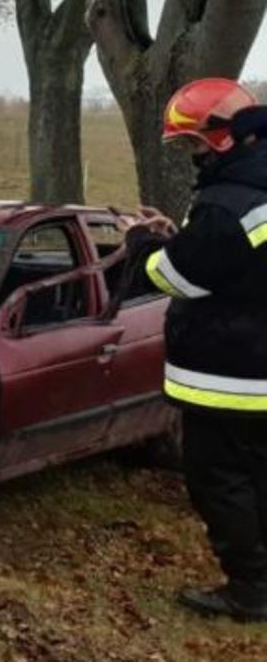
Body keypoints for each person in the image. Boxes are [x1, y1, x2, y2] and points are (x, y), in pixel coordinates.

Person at [123, 77, 267, 622]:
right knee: (259, 477)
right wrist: (177, 233)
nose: (192, 157)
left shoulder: (228, 204)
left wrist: (144, 245)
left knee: (221, 483)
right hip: (259, 370)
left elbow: (179, 276)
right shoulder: (256, 188)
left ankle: (249, 591)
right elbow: (228, 262)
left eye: (194, 145)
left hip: (230, 375)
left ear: (223, 139)